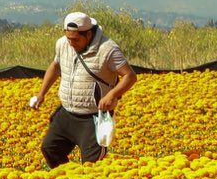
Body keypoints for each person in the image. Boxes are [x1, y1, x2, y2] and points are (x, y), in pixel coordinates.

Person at [28, 11, 137, 166]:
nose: (71, 43)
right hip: (66, 113)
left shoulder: (108, 49)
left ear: (88, 34)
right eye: (69, 38)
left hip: (93, 118)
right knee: (50, 149)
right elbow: (55, 66)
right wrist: (41, 94)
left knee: (92, 165)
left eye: (76, 39)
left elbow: (130, 76)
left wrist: (112, 95)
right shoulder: (62, 44)